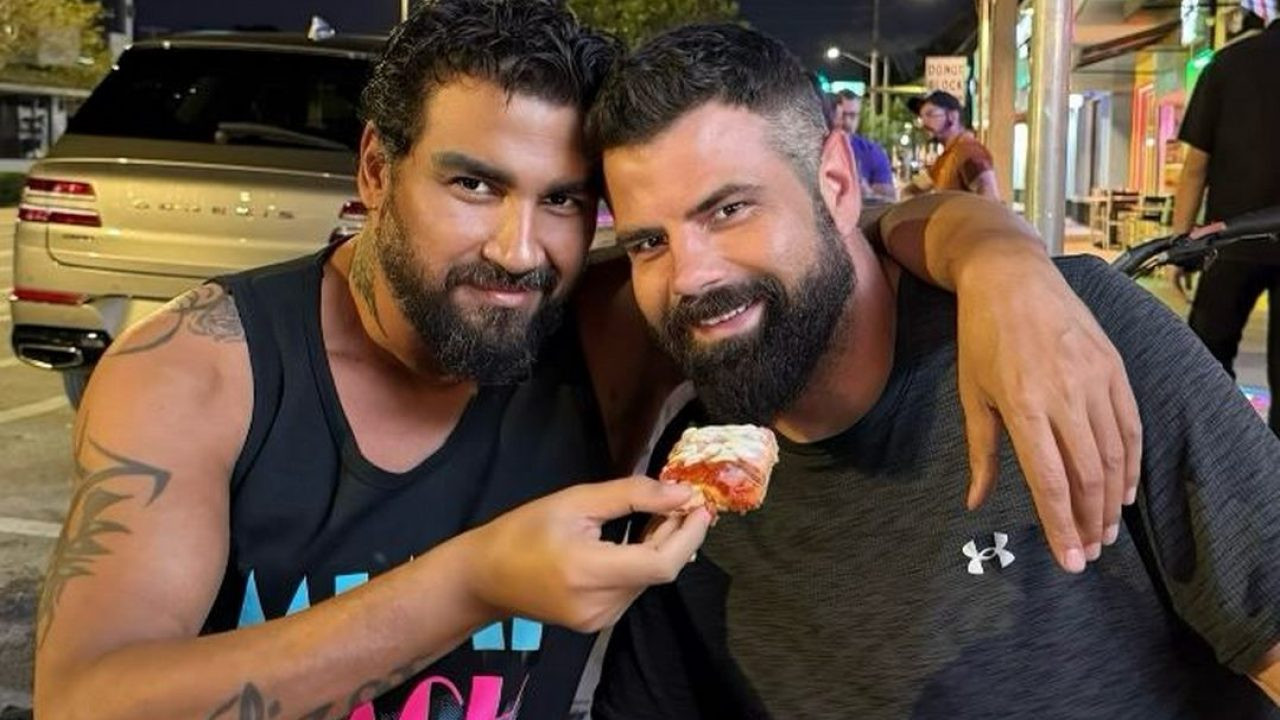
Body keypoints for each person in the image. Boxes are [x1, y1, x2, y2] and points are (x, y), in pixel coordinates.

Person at [33, 3, 1140, 718]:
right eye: (474, 185)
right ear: (375, 169)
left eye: (564, 201)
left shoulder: (604, 325)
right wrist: (470, 584)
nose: (521, 251)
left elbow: (814, 232)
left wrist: (1000, 262)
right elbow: (86, 699)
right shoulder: (203, 367)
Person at [587, 23, 1280, 718]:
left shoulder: (1068, 336)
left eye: (730, 209)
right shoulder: (693, 481)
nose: (690, 276)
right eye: (649, 243)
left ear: (835, 184)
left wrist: (997, 254)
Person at [1170, 13, 1280, 436]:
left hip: (1232, 240)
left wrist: (1182, 245)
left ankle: (1224, 448)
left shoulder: (1228, 64)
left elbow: (1195, 167)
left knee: (1206, 361)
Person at [904, 89, 1000, 200]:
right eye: (921, 117)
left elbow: (990, 197)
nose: (924, 123)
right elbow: (916, 187)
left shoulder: (968, 150)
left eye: (930, 114)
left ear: (953, 116)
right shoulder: (946, 157)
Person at [835, 89, 897, 203]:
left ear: (859, 118)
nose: (847, 122)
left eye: (853, 115)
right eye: (842, 115)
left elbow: (890, 200)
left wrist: (868, 193)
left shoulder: (872, 152)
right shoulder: (816, 148)